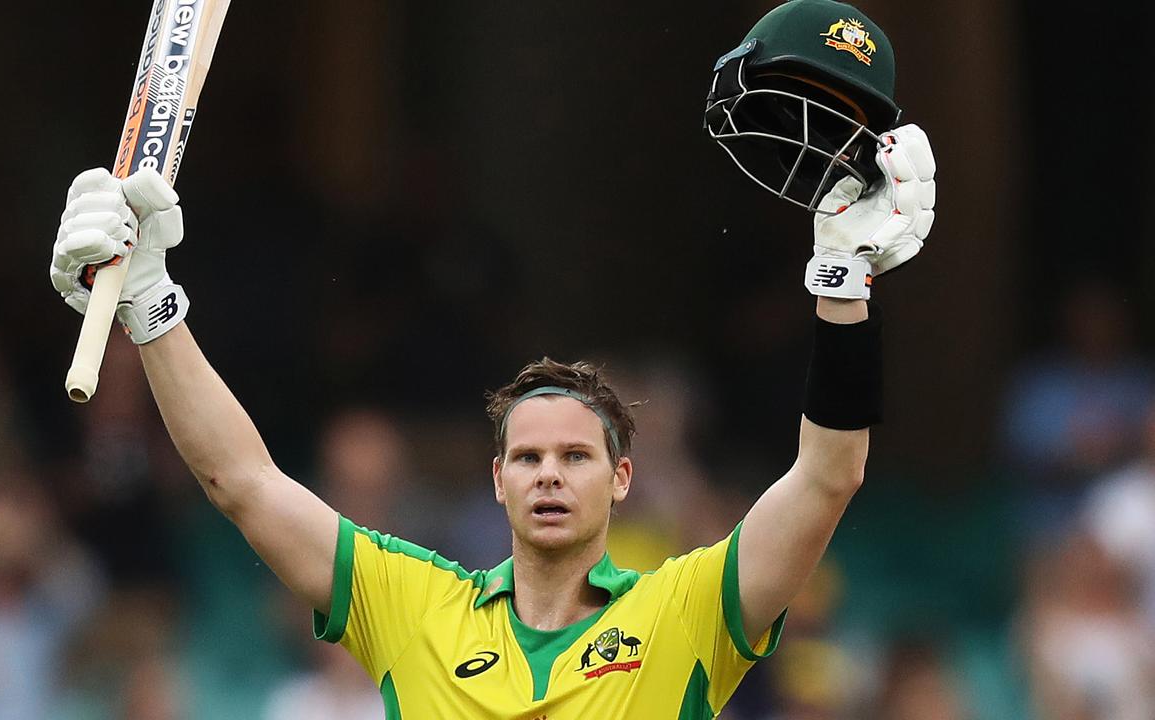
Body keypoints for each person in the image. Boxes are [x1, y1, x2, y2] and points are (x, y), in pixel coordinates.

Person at [49, 1, 935, 715]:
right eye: (530, 457)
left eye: (575, 456)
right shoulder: (413, 606)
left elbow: (828, 476)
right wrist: (148, 303)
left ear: (622, 479)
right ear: (498, 480)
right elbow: (241, 481)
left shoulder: (685, 611)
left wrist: (841, 284)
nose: (550, 475)